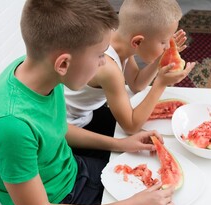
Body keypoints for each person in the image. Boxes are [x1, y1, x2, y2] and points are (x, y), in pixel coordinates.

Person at [0, 1, 175, 205]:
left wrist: (121, 144)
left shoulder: (40, 74)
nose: (103, 63)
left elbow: (57, 130)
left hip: (73, 171)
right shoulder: (10, 126)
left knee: (160, 186)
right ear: (64, 63)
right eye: (100, 55)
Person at [65, 0, 196, 146]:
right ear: (138, 42)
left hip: (84, 116)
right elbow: (131, 127)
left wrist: (161, 57)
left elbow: (136, 84)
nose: (167, 47)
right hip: (64, 128)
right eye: (163, 42)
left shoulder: (120, 40)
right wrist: (160, 83)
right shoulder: (108, 68)